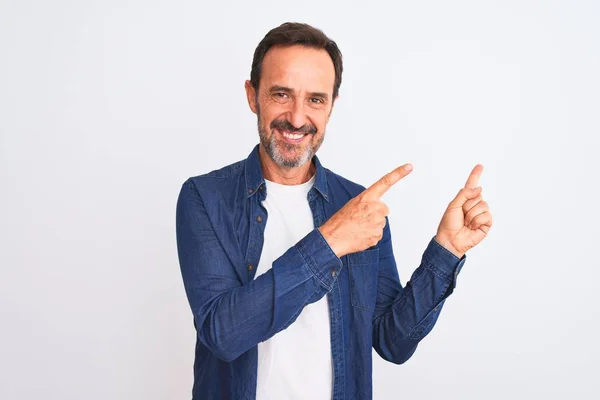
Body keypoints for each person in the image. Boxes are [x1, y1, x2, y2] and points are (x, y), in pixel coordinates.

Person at [175, 22, 493, 400]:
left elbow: (393, 341)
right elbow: (223, 334)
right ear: (252, 95)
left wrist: (446, 251)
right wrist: (330, 242)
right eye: (281, 94)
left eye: (315, 99)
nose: (296, 118)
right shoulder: (204, 198)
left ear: (331, 106)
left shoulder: (359, 208)